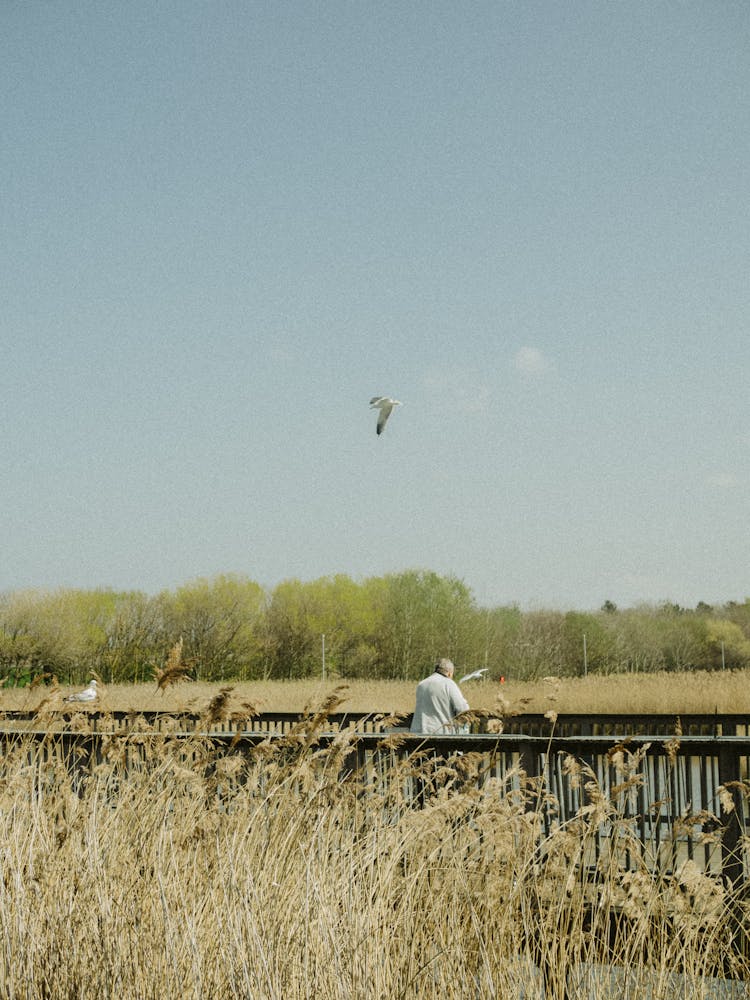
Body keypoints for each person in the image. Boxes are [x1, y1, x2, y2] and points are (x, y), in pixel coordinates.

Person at [410, 658, 470, 734]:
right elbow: (463, 709)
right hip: (441, 733)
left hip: (419, 732)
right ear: (449, 673)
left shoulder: (422, 684)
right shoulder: (449, 684)